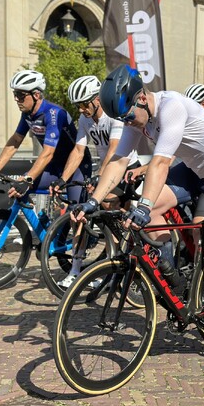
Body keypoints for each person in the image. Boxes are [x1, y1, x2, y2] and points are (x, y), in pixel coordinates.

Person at [73, 64, 204, 372]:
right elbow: (117, 161)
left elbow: (160, 164)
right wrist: (93, 200)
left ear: (141, 98)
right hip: (195, 172)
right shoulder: (136, 117)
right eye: (123, 119)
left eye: (128, 116)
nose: (128, 124)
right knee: (150, 210)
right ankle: (171, 275)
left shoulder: (171, 108)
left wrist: (143, 203)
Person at [53, 75, 139, 288]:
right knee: (79, 215)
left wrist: (100, 177)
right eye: (77, 106)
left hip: (126, 167)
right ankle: (75, 270)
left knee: (110, 206)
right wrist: (63, 180)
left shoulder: (114, 116)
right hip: (106, 170)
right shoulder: (84, 120)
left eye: (83, 104)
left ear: (96, 100)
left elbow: (114, 149)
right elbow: (78, 150)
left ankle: (116, 269)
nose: (81, 109)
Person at [0, 69, 91, 204]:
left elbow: (48, 152)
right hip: (54, 166)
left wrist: (28, 179)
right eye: (15, 94)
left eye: (20, 95)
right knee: (19, 188)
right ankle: (43, 225)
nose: (16, 99)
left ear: (36, 95)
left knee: (75, 214)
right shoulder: (28, 114)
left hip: (76, 167)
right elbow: (16, 140)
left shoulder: (54, 113)